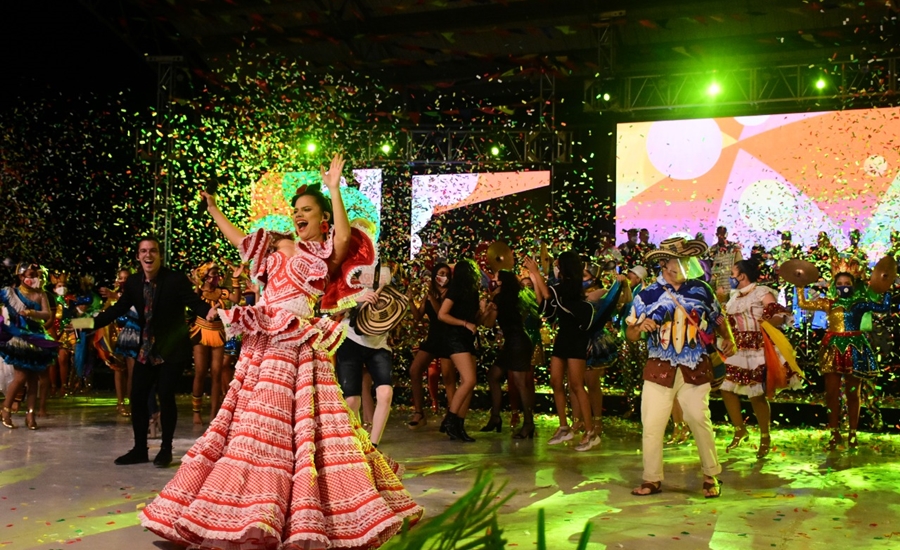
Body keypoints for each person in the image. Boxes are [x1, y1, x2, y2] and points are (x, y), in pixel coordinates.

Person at [136, 154, 422, 549]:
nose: (299, 215)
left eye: (308, 210)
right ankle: (249, 511)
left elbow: (342, 238)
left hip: (300, 349)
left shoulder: (322, 253)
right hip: (265, 346)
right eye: (296, 210)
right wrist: (214, 208)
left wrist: (334, 188)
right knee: (252, 431)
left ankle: (294, 514)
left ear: (322, 218)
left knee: (305, 435)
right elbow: (239, 240)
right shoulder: (274, 248)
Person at [71, 237, 215, 467]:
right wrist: (83, 323)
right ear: (138, 256)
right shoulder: (134, 282)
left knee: (165, 395)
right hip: (147, 349)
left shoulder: (175, 279)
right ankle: (139, 449)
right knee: (137, 397)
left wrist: (208, 311)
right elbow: (116, 310)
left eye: (153, 251)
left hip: (171, 349)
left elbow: (194, 302)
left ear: (160, 255)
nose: (148, 255)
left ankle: (166, 449)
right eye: (144, 251)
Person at [626, 237, 735, 498]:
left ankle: (711, 474)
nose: (687, 265)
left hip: (695, 366)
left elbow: (718, 318)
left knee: (699, 418)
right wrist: (639, 328)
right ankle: (651, 478)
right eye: (681, 260)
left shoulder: (701, 289)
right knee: (652, 424)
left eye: (688, 260)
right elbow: (630, 333)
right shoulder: (646, 295)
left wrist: (728, 338)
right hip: (659, 367)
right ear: (665, 264)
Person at [798, 256, 890, 450]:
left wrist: (885, 287)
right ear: (834, 286)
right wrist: (799, 285)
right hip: (833, 348)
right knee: (831, 393)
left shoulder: (860, 303)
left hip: (855, 348)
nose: (843, 287)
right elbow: (804, 304)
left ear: (853, 285)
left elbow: (883, 307)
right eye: (839, 284)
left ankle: (853, 433)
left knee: (853, 393)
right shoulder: (829, 303)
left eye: (846, 284)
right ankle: (834, 432)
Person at [719, 259, 802, 459]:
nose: (730, 277)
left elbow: (777, 313)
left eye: (733, 274)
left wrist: (772, 319)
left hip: (756, 347)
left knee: (756, 394)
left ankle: (765, 437)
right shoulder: (734, 297)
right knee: (725, 388)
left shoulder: (761, 292)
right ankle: (740, 429)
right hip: (738, 347)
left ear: (742, 275)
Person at [524, 251, 602, 452]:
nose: (556, 268)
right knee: (555, 381)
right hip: (563, 337)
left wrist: (536, 273)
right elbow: (544, 303)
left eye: (558, 265)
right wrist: (535, 277)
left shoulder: (571, 286)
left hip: (576, 338)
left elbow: (549, 294)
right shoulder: (559, 286)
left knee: (576, 384)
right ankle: (564, 427)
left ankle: (590, 432)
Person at [334, 262, 396, 446]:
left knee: (385, 392)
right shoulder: (349, 270)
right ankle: (356, 444)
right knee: (352, 399)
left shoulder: (387, 270)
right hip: (350, 338)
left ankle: (373, 445)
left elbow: (397, 303)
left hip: (379, 342)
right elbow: (330, 308)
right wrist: (356, 299)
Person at [481, 269, 540, 439]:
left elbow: (488, 324)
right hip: (516, 340)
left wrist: (486, 309)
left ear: (501, 282)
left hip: (516, 342)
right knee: (493, 375)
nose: (493, 280)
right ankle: (496, 416)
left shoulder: (500, 298)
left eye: (495, 278)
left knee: (520, 383)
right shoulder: (516, 296)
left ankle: (528, 423)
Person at [1, 263, 58, 430]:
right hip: (19, 338)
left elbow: (47, 314)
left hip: (37, 338)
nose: (34, 279)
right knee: (20, 377)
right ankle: (6, 410)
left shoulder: (40, 294)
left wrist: (31, 312)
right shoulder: (11, 293)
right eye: (31, 275)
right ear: (21, 276)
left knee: (34, 379)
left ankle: (31, 414)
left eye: (36, 275)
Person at [437, 258, 485, 442]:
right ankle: (451, 418)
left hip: (467, 338)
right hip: (455, 337)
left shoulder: (473, 292)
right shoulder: (456, 289)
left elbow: (475, 320)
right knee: (469, 379)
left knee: (469, 383)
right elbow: (442, 314)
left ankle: (458, 425)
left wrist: (483, 311)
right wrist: (464, 323)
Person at [407, 263, 453, 429]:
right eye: (441, 273)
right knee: (415, 370)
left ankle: (452, 414)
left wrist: (432, 297)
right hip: (433, 338)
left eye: (446, 274)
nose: (443, 277)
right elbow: (418, 316)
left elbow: (441, 314)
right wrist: (410, 300)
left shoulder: (450, 293)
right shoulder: (429, 294)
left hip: (447, 338)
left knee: (448, 376)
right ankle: (419, 412)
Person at [188, 261, 234, 425]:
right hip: (200, 331)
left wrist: (236, 280)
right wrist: (196, 286)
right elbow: (193, 305)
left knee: (216, 373)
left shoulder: (222, 292)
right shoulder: (199, 292)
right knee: (200, 371)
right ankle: (196, 412)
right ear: (205, 276)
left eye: (217, 273)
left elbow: (236, 298)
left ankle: (214, 413)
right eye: (213, 274)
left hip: (218, 332)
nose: (216, 277)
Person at [617, 266, 649, 419]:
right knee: (627, 372)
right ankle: (631, 406)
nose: (629, 280)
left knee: (644, 373)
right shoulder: (628, 291)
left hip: (641, 338)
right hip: (626, 336)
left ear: (638, 278)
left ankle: (644, 407)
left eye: (631, 277)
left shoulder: (645, 292)